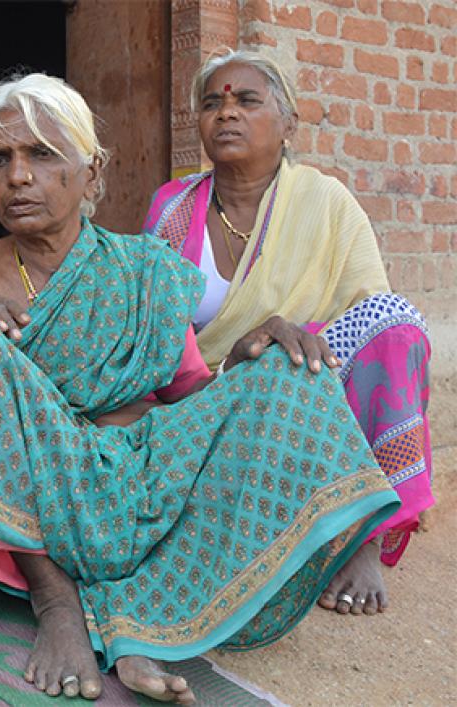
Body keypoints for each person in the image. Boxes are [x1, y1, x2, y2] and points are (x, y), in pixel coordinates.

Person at [0, 73, 400, 704]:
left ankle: (140, 619)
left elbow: (191, 398)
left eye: (42, 155)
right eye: (0, 159)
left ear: (91, 170)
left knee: (287, 369)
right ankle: (59, 603)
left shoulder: (147, 271)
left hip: (142, 482)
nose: (18, 176)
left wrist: (248, 362)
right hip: (37, 488)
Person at [142, 50, 433, 618]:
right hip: (205, 396)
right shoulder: (172, 206)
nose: (226, 113)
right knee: (269, 358)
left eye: (246, 100)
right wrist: (236, 360)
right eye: (211, 103)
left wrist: (290, 335)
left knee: (392, 323)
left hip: (308, 387)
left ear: (289, 123)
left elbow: (370, 312)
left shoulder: (327, 203)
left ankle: (365, 535)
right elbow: (152, 331)